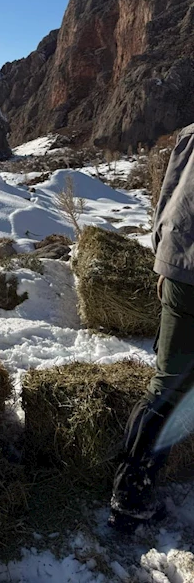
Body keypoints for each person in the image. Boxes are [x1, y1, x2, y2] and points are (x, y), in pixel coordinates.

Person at [109, 123, 194, 533]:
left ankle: (130, 490)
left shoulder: (191, 135)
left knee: (167, 385)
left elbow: (168, 195)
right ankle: (131, 491)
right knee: (171, 386)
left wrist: (164, 259)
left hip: (180, 268)